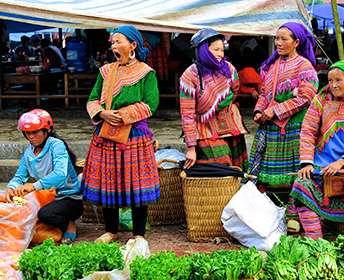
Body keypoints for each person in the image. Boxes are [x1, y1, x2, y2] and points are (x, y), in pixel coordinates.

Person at [81, 25, 160, 243]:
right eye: (113, 43)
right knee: (109, 181)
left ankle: (138, 234)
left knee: (137, 184)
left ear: (133, 45)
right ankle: (111, 231)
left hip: (134, 135)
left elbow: (150, 104)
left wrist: (122, 115)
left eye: (119, 41)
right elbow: (92, 99)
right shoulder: (105, 71)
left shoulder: (146, 73)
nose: (114, 46)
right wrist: (103, 113)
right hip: (106, 133)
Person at [290, 60, 344, 240]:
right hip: (322, 159)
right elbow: (308, 132)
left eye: (339, 80)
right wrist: (306, 162)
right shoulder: (320, 100)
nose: (333, 85)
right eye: (330, 81)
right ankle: (316, 243)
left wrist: (341, 162)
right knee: (302, 185)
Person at [248, 22, 318, 227]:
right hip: (270, 126)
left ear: (296, 42)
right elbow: (264, 94)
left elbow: (305, 97)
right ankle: (269, 216)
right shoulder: (271, 65)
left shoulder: (304, 66)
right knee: (265, 174)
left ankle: (294, 215)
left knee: (295, 173)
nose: (278, 43)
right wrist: (259, 111)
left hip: (294, 127)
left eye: (283, 39)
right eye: (276, 38)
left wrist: (275, 111)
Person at [6, 109, 83, 244]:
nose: (31, 137)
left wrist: (33, 186)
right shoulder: (29, 152)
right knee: (22, 210)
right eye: (27, 133)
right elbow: (19, 176)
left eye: (35, 132)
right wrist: (12, 188)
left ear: (47, 131)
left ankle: (69, 224)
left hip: (69, 197)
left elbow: (60, 174)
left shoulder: (56, 145)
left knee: (44, 214)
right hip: (48, 196)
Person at [179, 28, 248, 170]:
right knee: (221, 166)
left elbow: (235, 91)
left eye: (222, 50)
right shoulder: (190, 75)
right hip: (204, 127)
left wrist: (220, 105)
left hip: (230, 124)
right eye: (216, 49)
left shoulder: (229, 69)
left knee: (237, 169)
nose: (220, 54)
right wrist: (191, 148)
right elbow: (187, 114)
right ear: (203, 49)